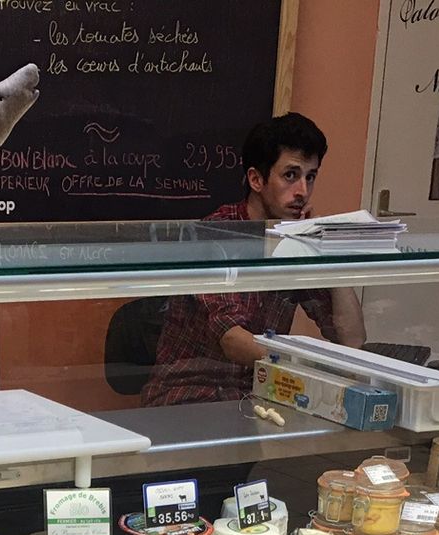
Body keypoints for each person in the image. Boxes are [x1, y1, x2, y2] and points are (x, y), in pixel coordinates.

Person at [142, 113, 366, 407]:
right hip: (190, 395)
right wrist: (308, 366)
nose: (303, 191)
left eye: (310, 177)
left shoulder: (294, 239)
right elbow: (233, 340)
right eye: (290, 175)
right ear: (256, 179)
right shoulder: (216, 235)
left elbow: (351, 339)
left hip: (261, 393)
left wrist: (331, 256)